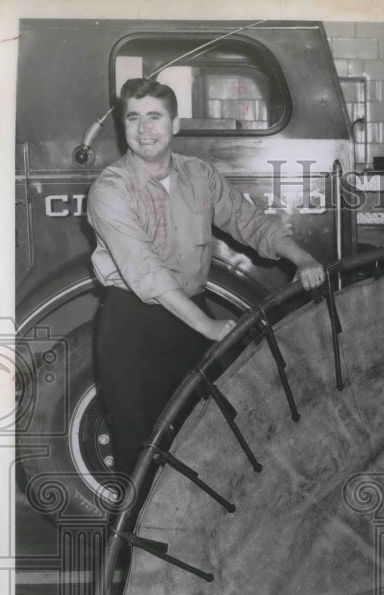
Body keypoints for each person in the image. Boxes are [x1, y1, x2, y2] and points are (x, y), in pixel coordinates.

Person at [88, 78, 327, 483]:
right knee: (141, 457)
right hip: (133, 327)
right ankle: (136, 547)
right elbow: (146, 272)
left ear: (175, 124)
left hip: (190, 314)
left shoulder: (199, 174)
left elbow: (248, 222)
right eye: (134, 118)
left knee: (208, 444)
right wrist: (208, 326)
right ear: (122, 127)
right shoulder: (109, 189)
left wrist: (303, 258)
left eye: (154, 117)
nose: (145, 129)